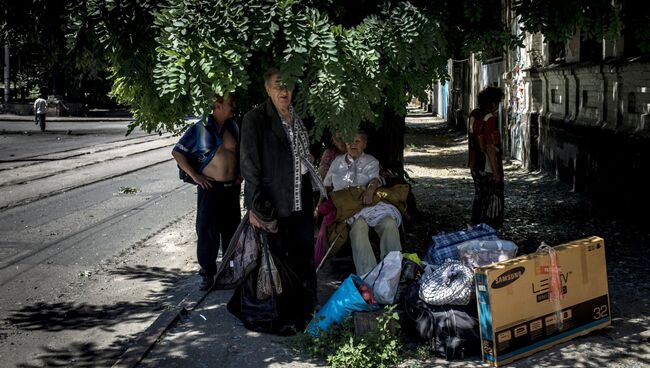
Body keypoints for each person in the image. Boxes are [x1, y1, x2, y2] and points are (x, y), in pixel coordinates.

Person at [240, 67, 317, 308]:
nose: (283, 90)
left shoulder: (301, 117)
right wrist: (253, 206)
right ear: (267, 88)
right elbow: (249, 165)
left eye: (288, 84)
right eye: (277, 85)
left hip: (301, 201)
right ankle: (281, 312)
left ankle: (307, 308)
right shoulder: (255, 119)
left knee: (304, 256)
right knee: (277, 259)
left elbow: (304, 153)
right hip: (273, 204)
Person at [172, 95, 241, 291]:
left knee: (232, 231)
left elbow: (241, 153)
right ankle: (207, 273)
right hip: (210, 189)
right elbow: (178, 152)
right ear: (217, 105)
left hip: (231, 188)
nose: (233, 106)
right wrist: (195, 175)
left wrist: (241, 175)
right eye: (230, 102)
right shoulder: (200, 127)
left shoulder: (234, 127)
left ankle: (230, 269)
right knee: (207, 232)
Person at [324, 130, 402, 276]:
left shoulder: (371, 161)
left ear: (364, 144)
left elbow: (375, 179)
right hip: (348, 208)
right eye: (349, 142)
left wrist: (370, 190)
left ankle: (393, 273)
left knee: (389, 223)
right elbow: (326, 185)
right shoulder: (337, 162)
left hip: (369, 204)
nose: (353, 144)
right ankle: (368, 276)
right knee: (359, 227)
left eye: (357, 141)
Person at [468, 86, 505, 229]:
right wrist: (496, 172)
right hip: (486, 165)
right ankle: (487, 228)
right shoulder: (489, 118)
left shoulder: (474, 114)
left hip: (474, 163)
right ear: (494, 103)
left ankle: (474, 225)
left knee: (479, 196)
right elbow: (489, 146)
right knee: (491, 199)